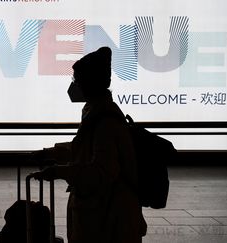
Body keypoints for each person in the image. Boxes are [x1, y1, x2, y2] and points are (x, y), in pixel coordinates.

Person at [31, 47, 147, 243]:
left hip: (109, 219)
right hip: (102, 213)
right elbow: (81, 148)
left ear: (90, 82)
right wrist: (48, 153)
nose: (74, 85)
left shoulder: (105, 120)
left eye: (77, 80)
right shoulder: (96, 111)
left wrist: (59, 172)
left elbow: (101, 171)